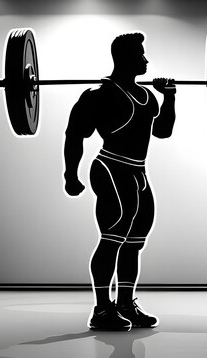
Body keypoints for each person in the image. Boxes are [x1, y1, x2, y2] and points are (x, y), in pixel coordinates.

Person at [63, 32, 176, 331]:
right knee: (112, 238)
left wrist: (171, 97)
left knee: (134, 243)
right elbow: (75, 134)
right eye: (141, 55)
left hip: (138, 172)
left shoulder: (147, 96)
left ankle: (126, 303)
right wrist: (70, 174)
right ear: (125, 58)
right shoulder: (99, 96)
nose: (146, 60)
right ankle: (101, 310)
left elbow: (163, 132)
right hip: (111, 169)